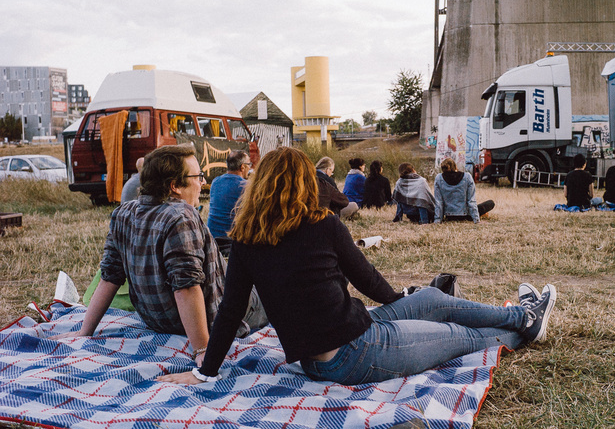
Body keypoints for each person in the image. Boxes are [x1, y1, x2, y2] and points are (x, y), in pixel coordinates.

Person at [156, 147, 558, 387]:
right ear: (303, 183)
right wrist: (205, 373)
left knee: (433, 298)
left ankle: (521, 315)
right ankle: (523, 330)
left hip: (329, 347)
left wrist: (404, 305)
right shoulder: (322, 223)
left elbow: (230, 311)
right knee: (457, 337)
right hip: (354, 354)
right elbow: (365, 278)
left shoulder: (247, 238)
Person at [54, 144, 267, 365]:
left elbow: (110, 276)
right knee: (269, 286)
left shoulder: (123, 214)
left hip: (158, 322)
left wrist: (84, 331)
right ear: (175, 186)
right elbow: (186, 287)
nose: (203, 182)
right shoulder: (181, 216)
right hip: (221, 313)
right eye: (198, 176)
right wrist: (203, 351)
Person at [206, 150, 251, 239]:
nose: (250, 168)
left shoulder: (215, 182)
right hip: (230, 239)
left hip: (212, 237)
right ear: (242, 167)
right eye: (249, 164)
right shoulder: (246, 186)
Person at [433, 157, 494, 223]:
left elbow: (439, 202)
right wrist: (476, 220)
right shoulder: (467, 177)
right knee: (490, 203)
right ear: (455, 166)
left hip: (449, 216)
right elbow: (471, 201)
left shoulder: (439, 178)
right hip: (466, 215)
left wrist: (438, 220)